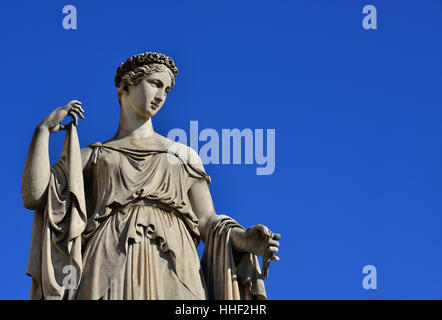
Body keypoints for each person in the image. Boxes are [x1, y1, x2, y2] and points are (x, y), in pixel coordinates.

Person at [22, 52, 281, 300]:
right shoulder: (93, 156)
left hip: (177, 265)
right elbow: (36, 197)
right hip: (107, 262)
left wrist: (244, 240)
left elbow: (207, 222)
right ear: (126, 85)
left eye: (167, 90)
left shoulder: (183, 155)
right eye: (155, 84)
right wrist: (42, 131)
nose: (161, 96)